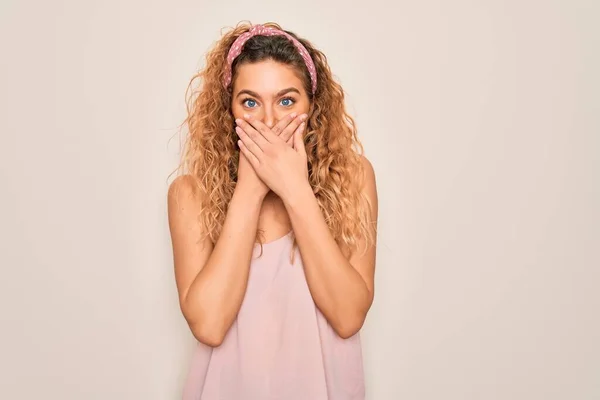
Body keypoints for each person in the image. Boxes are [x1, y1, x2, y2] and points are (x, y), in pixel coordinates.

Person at [167, 21, 378, 400]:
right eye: (250, 102)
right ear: (228, 108)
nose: (268, 121)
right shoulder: (190, 195)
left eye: (286, 101)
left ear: (312, 105)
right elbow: (210, 325)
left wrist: (295, 189)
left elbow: (348, 318)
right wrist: (250, 189)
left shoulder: (353, 178)